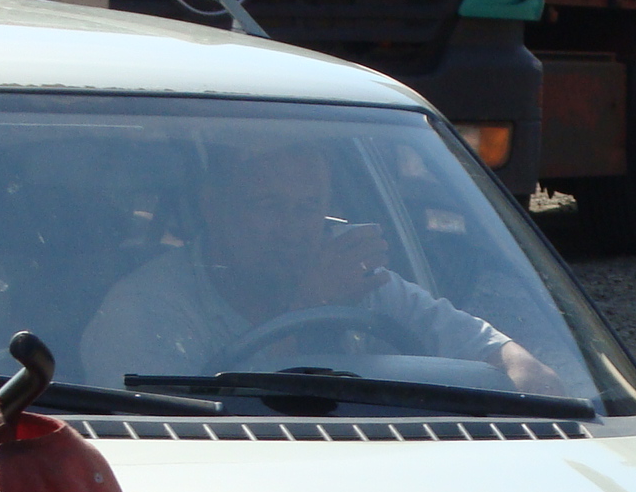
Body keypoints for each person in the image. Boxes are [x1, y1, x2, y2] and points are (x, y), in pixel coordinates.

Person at [80, 142, 557, 393]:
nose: (292, 230)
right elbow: (173, 444)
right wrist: (308, 307)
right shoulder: (143, 310)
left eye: (308, 208)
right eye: (268, 206)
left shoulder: (360, 284)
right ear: (213, 207)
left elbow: (507, 362)